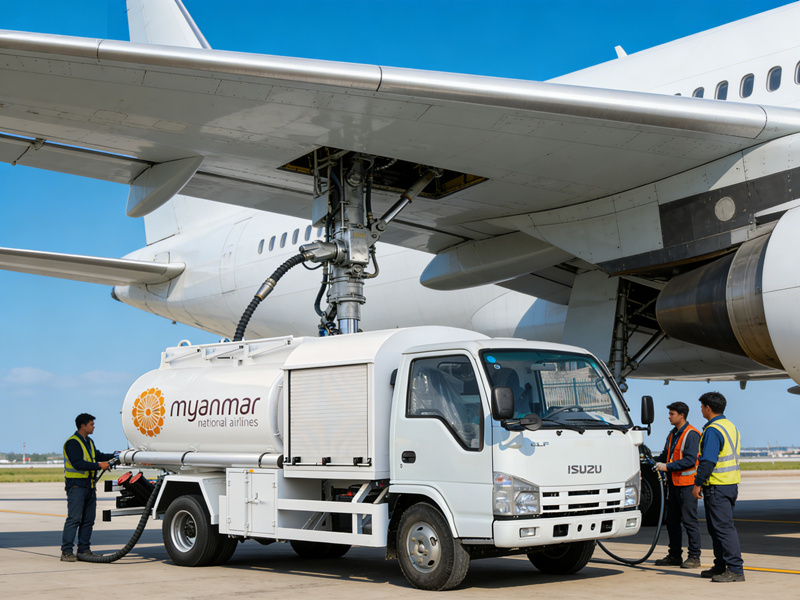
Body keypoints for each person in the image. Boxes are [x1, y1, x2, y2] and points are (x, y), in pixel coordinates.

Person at [692, 392, 745, 582]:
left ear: (707, 407)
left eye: (701, 407)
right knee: (717, 528)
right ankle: (721, 566)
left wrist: (697, 484)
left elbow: (707, 461)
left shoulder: (713, 430)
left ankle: (735, 570)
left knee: (723, 528)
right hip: (729, 484)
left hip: (717, 486)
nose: (701, 410)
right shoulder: (730, 426)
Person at [653, 401, 702, 569]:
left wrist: (667, 467)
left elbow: (690, 460)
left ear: (682, 415)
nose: (669, 417)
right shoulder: (672, 434)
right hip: (673, 485)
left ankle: (694, 556)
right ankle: (674, 555)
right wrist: (652, 460)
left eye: (672, 414)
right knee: (672, 522)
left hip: (687, 485)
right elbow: (666, 455)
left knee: (689, 521)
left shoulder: (692, 434)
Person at [60, 413, 115, 562]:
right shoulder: (72, 443)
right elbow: (78, 463)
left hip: (89, 486)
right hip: (77, 487)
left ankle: (84, 550)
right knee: (74, 519)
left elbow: (98, 455)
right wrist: (99, 465)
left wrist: (116, 455)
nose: (94, 426)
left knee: (88, 520)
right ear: (82, 426)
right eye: (91, 424)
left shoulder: (89, 442)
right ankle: (66, 551)